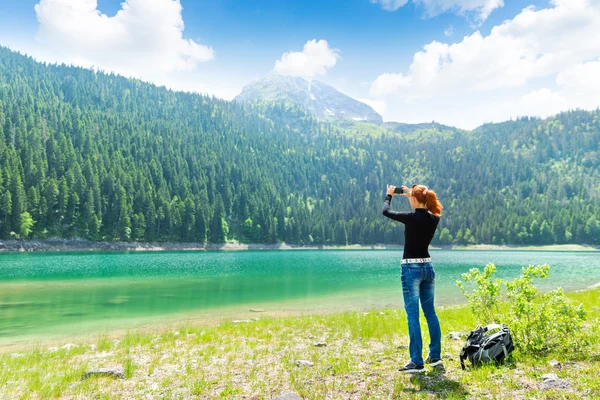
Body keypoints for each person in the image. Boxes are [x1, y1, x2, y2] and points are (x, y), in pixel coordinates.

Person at [383, 184, 443, 373]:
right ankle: (435, 357)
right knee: (430, 313)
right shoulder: (434, 218)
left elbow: (386, 211)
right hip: (428, 268)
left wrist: (389, 195)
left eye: (411, 197)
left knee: (413, 316)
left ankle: (416, 362)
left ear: (415, 200)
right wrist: (414, 195)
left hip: (411, 269)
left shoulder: (410, 218)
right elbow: (425, 208)